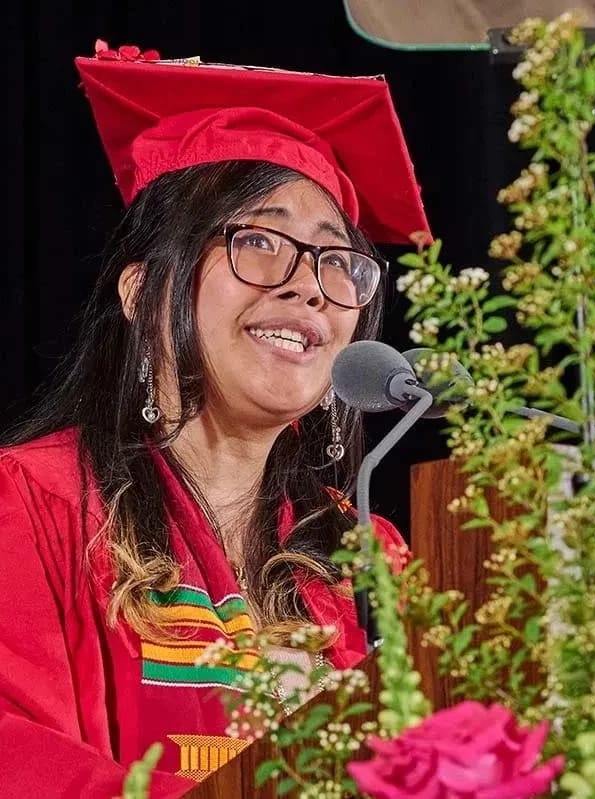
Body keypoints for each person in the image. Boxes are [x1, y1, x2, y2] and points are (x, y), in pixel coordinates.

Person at [0, 44, 431, 798]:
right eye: (258, 240)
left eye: (338, 261)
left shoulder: (370, 559)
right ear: (141, 291)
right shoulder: (31, 502)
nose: (309, 287)